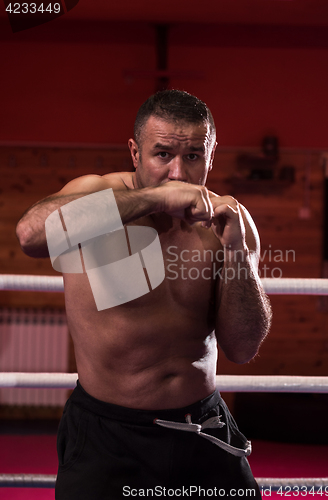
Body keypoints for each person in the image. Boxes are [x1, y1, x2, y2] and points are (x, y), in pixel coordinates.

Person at [16, 90, 272, 499]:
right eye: (162, 155)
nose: (177, 173)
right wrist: (155, 199)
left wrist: (237, 252)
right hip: (109, 435)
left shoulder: (227, 222)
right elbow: (30, 235)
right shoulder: (94, 194)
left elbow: (243, 347)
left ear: (211, 155)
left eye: (192, 157)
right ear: (135, 152)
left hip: (202, 426)